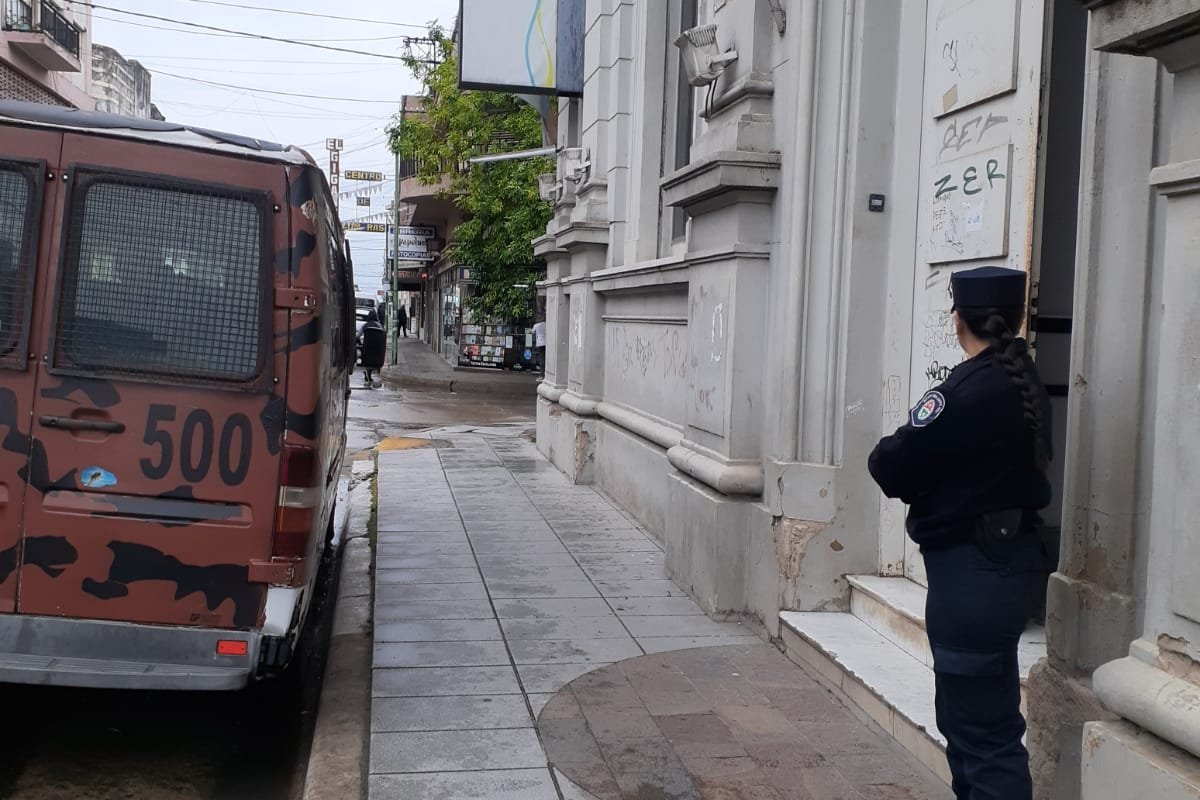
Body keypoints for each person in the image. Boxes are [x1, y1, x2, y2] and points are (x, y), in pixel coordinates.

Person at [867, 266, 1052, 800]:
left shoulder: (965, 391)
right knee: (969, 719)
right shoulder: (1025, 383)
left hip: (972, 574)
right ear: (1016, 317)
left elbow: (890, 466)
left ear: (958, 320)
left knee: (982, 734)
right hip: (1007, 564)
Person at [359, 309, 386, 386]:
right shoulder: (379, 326)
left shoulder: (365, 326)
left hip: (367, 351)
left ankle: (368, 373)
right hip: (378, 351)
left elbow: (358, 336)